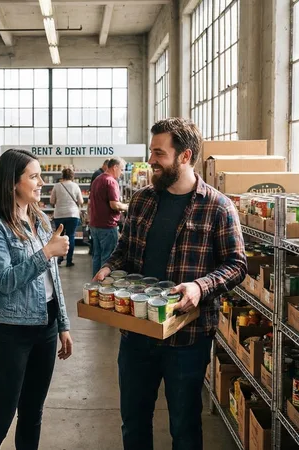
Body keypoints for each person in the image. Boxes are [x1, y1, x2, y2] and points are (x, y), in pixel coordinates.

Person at [94, 118, 247, 450]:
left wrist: (200, 287)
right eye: (152, 152)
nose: (151, 160)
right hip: (137, 330)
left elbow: (236, 265)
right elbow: (124, 250)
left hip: (187, 338)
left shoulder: (219, 207)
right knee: (133, 422)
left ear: (184, 156)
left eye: (159, 153)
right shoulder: (143, 200)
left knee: (185, 427)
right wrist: (109, 267)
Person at [0, 149, 74, 450]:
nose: (41, 182)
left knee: (33, 413)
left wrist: (63, 325)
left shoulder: (39, 218)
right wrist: (46, 253)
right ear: (12, 182)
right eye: (33, 176)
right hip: (9, 332)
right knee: (1, 417)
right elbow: (4, 281)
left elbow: (52, 279)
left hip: (44, 327)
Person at [88, 157, 128, 276]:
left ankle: (96, 282)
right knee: (108, 259)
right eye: (121, 169)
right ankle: (103, 285)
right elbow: (114, 205)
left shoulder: (97, 179)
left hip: (95, 224)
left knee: (97, 256)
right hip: (107, 225)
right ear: (114, 167)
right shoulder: (111, 181)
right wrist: (127, 207)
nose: (122, 173)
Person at [50, 168, 84, 267]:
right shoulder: (75, 186)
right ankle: (69, 261)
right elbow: (81, 201)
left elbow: (52, 201)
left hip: (59, 214)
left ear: (62, 175)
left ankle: (60, 258)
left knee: (60, 236)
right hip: (73, 214)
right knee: (71, 236)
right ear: (72, 176)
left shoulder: (57, 186)